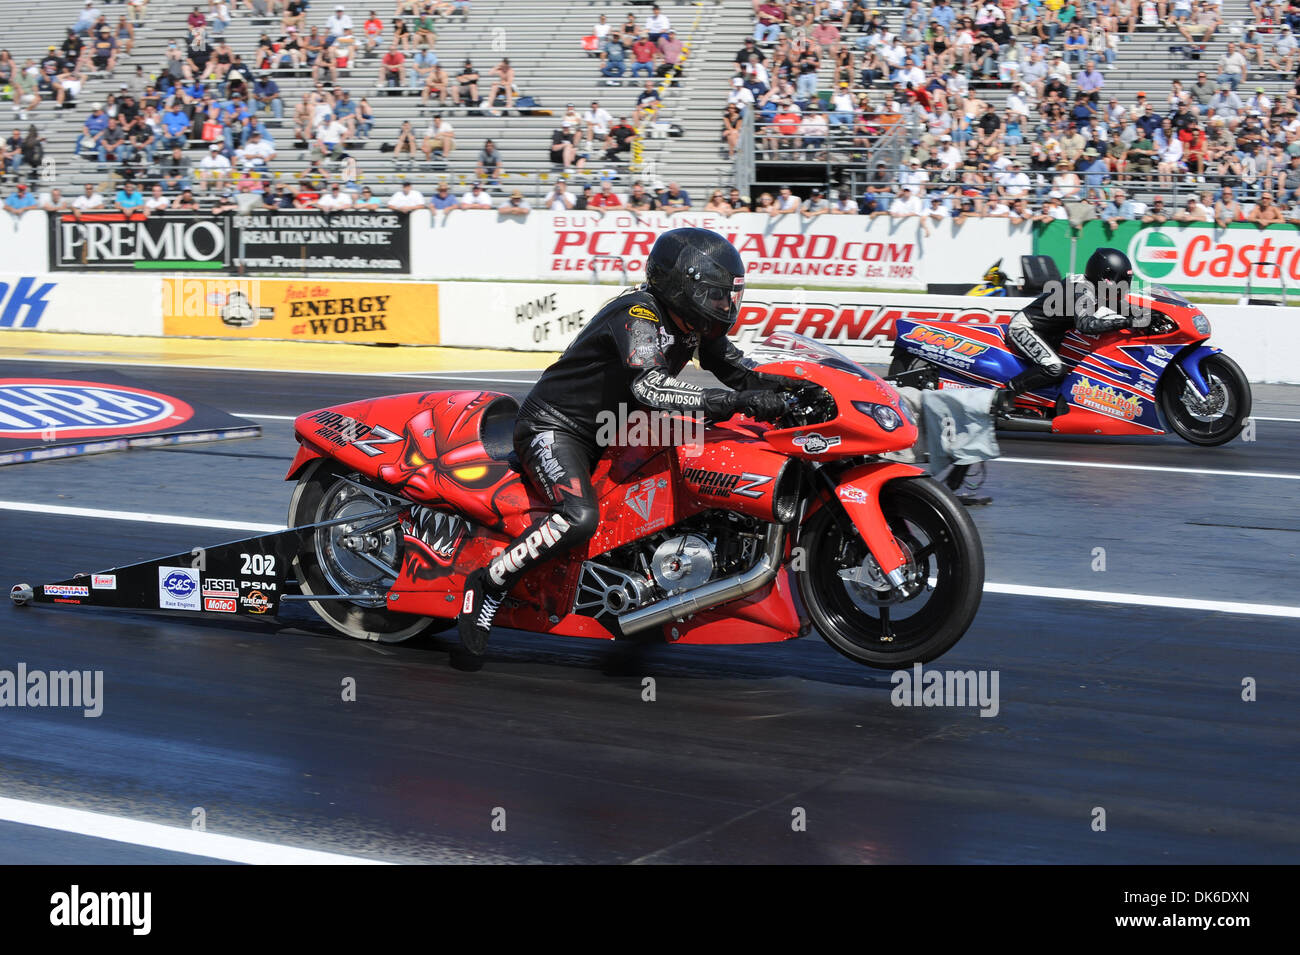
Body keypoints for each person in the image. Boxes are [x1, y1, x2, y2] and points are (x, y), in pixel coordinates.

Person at [456, 228, 810, 654]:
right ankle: (490, 582)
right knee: (577, 517)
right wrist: (738, 402)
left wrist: (801, 387)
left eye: (729, 296)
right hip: (559, 427)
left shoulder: (695, 324)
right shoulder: (638, 315)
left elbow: (740, 370)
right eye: (716, 295)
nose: (725, 305)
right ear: (684, 286)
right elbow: (653, 389)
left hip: (620, 429)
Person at [994, 247, 1150, 413]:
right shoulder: (1081, 289)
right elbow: (1085, 325)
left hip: (1051, 333)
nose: (1123, 285)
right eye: (1120, 280)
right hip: (1026, 327)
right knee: (1055, 368)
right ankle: (1004, 394)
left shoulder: (1095, 287)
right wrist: (1126, 322)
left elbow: (1122, 307)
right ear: (1105, 276)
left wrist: (1150, 314)